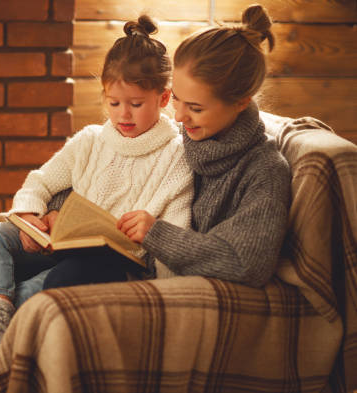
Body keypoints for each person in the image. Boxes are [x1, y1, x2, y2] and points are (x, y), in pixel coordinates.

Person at [0, 15, 194, 388]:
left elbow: (174, 236)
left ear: (164, 98)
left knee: (62, 277)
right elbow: (40, 182)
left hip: (110, 262)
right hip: (61, 245)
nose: (123, 114)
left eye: (136, 104)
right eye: (114, 102)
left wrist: (148, 242)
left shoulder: (176, 155)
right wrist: (30, 214)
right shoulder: (90, 140)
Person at [43, 4, 291, 291]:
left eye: (195, 108)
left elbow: (247, 263)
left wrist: (157, 235)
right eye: (177, 100)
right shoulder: (184, 136)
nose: (179, 118)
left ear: (241, 102)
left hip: (153, 279)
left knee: (61, 280)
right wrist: (59, 208)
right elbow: (104, 171)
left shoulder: (264, 171)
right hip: (108, 258)